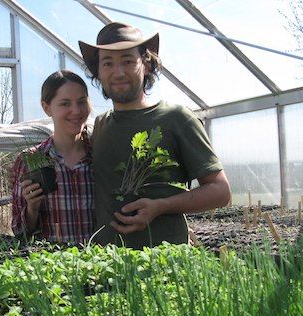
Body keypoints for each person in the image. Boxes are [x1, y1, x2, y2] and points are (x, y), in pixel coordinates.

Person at [78, 22, 231, 249]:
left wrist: (161, 206)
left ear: (147, 65)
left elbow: (220, 191)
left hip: (165, 266)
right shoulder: (100, 126)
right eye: (108, 63)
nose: (118, 72)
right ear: (98, 72)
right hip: (106, 265)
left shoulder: (177, 118)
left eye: (128, 61)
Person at [11, 70, 94, 244]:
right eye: (65, 104)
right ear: (47, 108)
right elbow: (20, 234)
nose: (76, 111)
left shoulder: (100, 155)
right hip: (54, 266)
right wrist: (32, 209)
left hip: (100, 264)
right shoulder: (31, 160)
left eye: (81, 102)